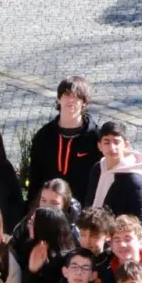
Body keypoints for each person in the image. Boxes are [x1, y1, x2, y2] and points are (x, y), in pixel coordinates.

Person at [26, 75, 101, 208]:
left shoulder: (95, 138)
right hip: (49, 209)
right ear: (59, 99)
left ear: (84, 102)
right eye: (67, 95)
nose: (71, 100)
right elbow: (35, 179)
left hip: (83, 211)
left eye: (77, 96)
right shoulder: (44, 136)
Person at [16, 206, 76, 283]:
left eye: (33, 222)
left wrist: (33, 272)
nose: (29, 224)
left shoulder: (62, 260)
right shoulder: (28, 246)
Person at [87, 120, 142, 230]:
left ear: (126, 145)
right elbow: (89, 205)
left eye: (116, 142)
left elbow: (141, 227)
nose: (112, 148)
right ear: (99, 146)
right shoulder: (97, 169)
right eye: (106, 142)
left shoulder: (134, 182)